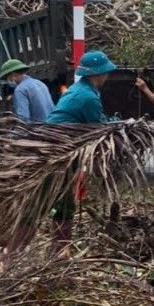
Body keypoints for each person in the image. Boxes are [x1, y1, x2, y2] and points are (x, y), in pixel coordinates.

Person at [46, 51, 117, 254]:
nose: (107, 77)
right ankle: (59, 250)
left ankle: (59, 248)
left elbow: (99, 120)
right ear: (98, 74)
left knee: (63, 198)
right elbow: (97, 127)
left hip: (59, 146)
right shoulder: (88, 96)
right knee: (64, 200)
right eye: (106, 73)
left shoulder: (82, 90)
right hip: (61, 150)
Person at [0, 59, 54, 123]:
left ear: (13, 74)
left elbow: (23, 118)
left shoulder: (20, 90)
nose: (9, 80)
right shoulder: (40, 83)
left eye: (8, 77)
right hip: (51, 127)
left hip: (37, 129)